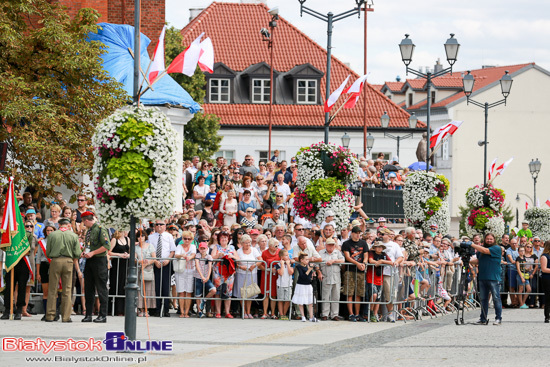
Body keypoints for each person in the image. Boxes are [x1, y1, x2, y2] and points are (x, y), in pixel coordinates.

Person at [45, 217, 81, 322]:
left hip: (55, 261)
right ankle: (66, 316)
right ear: (68, 225)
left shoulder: (52, 235)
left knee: (52, 289)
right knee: (67, 289)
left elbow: (48, 252)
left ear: (59, 225)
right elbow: (77, 253)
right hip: (69, 262)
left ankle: (50, 315)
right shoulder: (73, 236)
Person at [81, 211, 111, 323]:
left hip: (99, 261)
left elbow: (106, 246)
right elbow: (89, 245)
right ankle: (88, 314)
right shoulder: (89, 230)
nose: (84, 225)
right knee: (89, 288)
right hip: (89, 261)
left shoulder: (100, 229)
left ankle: (102, 315)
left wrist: (93, 253)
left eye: (84, 222)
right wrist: (84, 252)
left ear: (86, 220)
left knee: (101, 289)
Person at [471, 233, 503, 325]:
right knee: (483, 299)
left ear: (494, 240)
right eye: (487, 239)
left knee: (496, 298)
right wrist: (467, 260)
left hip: (493, 277)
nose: (489, 240)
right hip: (482, 277)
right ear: (484, 240)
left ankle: (498, 318)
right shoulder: (480, 250)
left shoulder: (496, 248)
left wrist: (472, 244)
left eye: (491, 239)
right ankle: (483, 318)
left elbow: (485, 251)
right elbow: (478, 261)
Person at [148, 219, 176, 317]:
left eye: (161, 224)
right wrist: (155, 260)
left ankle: (165, 309)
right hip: (155, 263)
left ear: (165, 226)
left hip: (166, 263)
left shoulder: (169, 236)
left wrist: (168, 260)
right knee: (156, 286)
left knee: (165, 286)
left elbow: (172, 250)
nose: (159, 226)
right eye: (157, 224)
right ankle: (157, 308)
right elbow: (149, 250)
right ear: (154, 226)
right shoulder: (151, 237)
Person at [341, 226, 368, 322]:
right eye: (356, 233)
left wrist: (364, 263)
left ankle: (357, 314)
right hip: (350, 270)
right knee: (349, 293)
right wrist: (357, 264)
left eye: (359, 233)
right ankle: (351, 314)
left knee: (358, 293)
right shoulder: (346, 243)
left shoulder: (363, 243)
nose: (357, 235)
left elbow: (365, 255)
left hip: (360, 271)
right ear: (351, 233)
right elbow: (347, 257)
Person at [234, 234, 262, 319]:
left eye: (249, 242)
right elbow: (236, 263)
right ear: (242, 243)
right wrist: (241, 267)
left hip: (252, 274)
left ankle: (249, 312)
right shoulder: (238, 251)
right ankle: (244, 312)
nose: (248, 244)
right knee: (242, 293)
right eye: (246, 243)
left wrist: (254, 265)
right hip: (241, 274)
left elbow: (260, 260)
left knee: (250, 293)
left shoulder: (254, 250)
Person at [317, 238, 344, 321]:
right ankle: (325, 314)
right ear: (326, 245)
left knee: (336, 296)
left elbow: (343, 260)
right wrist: (319, 272)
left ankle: (334, 314)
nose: (331, 246)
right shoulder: (321, 253)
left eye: (332, 245)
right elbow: (316, 264)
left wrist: (334, 261)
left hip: (336, 277)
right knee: (325, 296)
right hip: (326, 276)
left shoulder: (337, 252)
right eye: (329, 245)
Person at [36, 225, 56, 321]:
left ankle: (54, 313)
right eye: (47, 230)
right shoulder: (41, 243)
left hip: (54, 265)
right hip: (44, 265)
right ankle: (46, 313)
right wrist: (38, 273)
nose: (49, 232)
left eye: (51, 230)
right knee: (46, 291)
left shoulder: (57, 241)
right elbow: (38, 259)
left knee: (54, 291)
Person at [174, 231, 196, 318]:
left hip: (190, 270)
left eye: (189, 239)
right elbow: (176, 255)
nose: (187, 240)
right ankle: (182, 312)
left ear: (192, 240)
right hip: (180, 270)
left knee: (189, 292)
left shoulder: (193, 246)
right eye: (185, 238)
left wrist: (189, 257)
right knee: (181, 291)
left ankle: (186, 312)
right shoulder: (179, 246)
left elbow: (193, 254)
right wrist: (182, 255)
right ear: (182, 239)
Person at [108, 231, 130, 316]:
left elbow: (130, 251)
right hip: (117, 265)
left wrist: (127, 255)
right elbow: (109, 252)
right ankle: (115, 309)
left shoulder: (127, 239)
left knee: (123, 285)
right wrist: (119, 255)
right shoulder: (114, 239)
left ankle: (123, 309)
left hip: (125, 265)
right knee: (116, 285)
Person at [135, 229, 156, 317]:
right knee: (139, 290)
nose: (141, 237)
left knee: (148, 290)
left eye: (142, 236)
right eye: (139, 236)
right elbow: (134, 259)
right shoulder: (135, 247)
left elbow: (154, 258)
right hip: (139, 269)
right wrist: (141, 262)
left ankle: (147, 309)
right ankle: (140, 309)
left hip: (148, 269)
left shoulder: (150, 246)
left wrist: (147, 262)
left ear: (145, 237)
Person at [292, 252, 317, 322]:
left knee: (310, 302)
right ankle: (303, 316)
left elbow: (309, 276)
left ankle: (311, 317)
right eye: (306, 259)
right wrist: (309, 270)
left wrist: (313, 273)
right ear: (301, 260)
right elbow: (302, 276)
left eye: (308, 259)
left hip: (308, 285)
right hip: (301, 285)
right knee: (301, 301)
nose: (307, 261)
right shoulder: (299, 266)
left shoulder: (308, 266)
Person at [194, 242, 216, 318]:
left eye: (204, 248)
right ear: (199, 249)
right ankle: (199, 311)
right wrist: (202, 276)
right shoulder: (197, 255)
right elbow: (197, 266)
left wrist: (207, 277)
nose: (203, 250)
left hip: (206, 278)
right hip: (198, 277)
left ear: (207, 249)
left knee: (213, 290)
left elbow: (210, 267)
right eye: (201, 248)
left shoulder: (209, 256)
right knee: (198, 295)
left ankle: (204, 300)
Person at [260, 238, 280, 319]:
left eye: (278, 245)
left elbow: (283, 261)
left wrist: (276, 268)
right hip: (266, 275)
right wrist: (267, 269)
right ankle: (265, 313)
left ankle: (272, 313)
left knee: (274, 295)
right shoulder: (265, 253)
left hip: (275, 276)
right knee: (266, 294)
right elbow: (260, 264)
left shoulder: (279, 252)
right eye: (276, 246)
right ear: (270, 246)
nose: (277, 247)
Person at [274, 249, 294, 320]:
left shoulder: (290, 264)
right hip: (280, 284)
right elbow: (281, 273)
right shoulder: (278, 264)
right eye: (286, 255)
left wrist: (288, 264)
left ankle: (284, 314)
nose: (288, 257)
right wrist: (282, 264)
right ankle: (281, 314)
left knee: (288, 300)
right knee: (280, 300)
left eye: (288, 255)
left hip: (289, 284)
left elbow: (291, 272)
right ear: (281, 257)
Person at [540, 240, 550, 323]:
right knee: (548, 298)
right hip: (547, 279)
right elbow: (544, 269)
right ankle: (547, 316)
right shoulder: (544, 256)